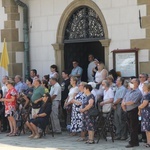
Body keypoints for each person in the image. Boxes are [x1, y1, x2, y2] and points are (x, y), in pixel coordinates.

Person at [121, 78, 142, 148]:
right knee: (130, 127)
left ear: (137, 84)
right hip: (128, 110)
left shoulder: (138, 92)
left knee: (133, 127)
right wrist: (123, 105)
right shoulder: (129, 91)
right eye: (131, 82)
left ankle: (132, 142)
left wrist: (125, 103)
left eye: (133, 82)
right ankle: (135, 141)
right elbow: (124, 98)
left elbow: (133, 101)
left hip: (134, 110)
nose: (131, 83)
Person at [138, 83, 150, 147]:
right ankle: (148, 142)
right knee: (146, 129)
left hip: (147, 113)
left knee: (148, 129)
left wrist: (139, 107)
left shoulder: (148, 95)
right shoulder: (145, 94)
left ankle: (149, 142)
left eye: (144, 86)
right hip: (145, 112)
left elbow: (144, 104)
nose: (142, 87)